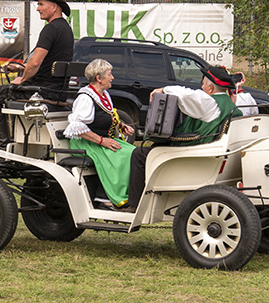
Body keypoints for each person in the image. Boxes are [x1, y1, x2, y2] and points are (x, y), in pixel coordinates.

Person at [127, 66, 240, 210]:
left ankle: (135, 205)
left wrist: (163, 90)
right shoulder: (232, 105)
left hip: (197, 152)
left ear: (210, 88)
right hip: (214, 150)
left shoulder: (210, 103)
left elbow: (186, 95)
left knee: (139, 154)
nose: (201, 87)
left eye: (204, 85)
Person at [0, 0, 74, 148]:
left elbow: (35, 63)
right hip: (58, 91)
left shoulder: (51, 29)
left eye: (41, 4)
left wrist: (22, 79)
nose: (37, 8)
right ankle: (16, 140)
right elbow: (46, 62)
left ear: (54, 6)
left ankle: (2, 145)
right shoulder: (66, 29)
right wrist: (20, 67)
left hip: (42, 91)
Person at [63, 59, 136, 208]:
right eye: (109, 74)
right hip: (87, 142)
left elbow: (105, 116)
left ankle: (124, 194)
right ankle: (104, 197)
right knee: (124, 155)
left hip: (100, 139)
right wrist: (102, 141)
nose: (112, 77)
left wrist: (121, 126)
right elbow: (76, 126)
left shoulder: (103, 94)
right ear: (99, 78)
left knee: (135, 152)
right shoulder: (85, 97)